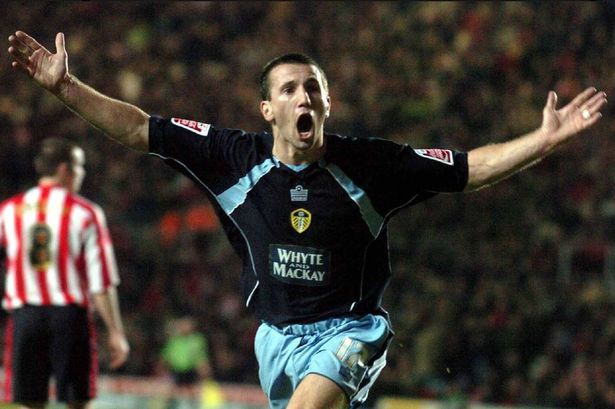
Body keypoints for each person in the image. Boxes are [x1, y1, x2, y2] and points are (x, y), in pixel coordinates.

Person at [7, 30, 606, 409]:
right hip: (275, 337)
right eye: (291, 89)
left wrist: (542, 141)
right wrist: (67, 89)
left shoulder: (371, 164)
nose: (305, 98)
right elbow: (141, 128)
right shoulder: (232, 158)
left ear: (327, 104)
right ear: (268, 109)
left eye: (314, 89)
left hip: (352, 329)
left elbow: (469, 168)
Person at [0, 137, 130, 409]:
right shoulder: (86, 212)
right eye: (79, 167)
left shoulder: (9, 210)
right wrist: (115, 331)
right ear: (64, 169)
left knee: (30, 403)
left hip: (25, 316)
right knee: (78, 402)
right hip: (69, 317)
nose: (82, 174)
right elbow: (101, 281)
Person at [160, 316, 212, 409]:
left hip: (191, 371)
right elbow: (165, 357)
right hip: (176, 371)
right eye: (183, 324)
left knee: (194, 395)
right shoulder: (174, 340)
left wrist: (204, 370)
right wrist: (163, 369)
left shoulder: (197, 339)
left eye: (187, 324)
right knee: (170, 394)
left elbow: (201, 357)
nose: (185, 327)